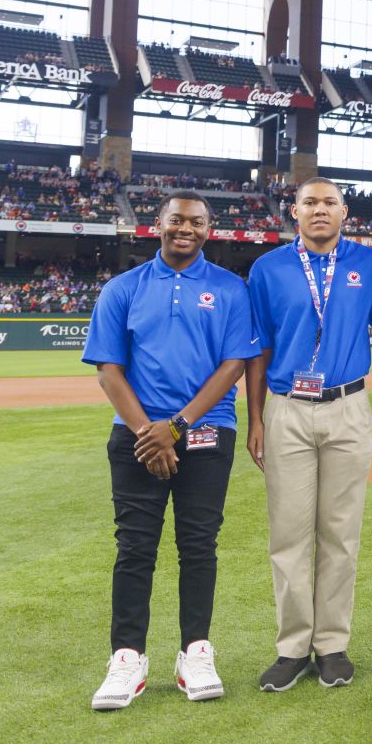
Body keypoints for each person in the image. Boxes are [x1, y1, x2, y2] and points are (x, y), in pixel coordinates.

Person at [81, 192, 259, 710]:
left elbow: (233, 365)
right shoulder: (123, 288)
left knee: (199, 545)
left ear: (210, 229)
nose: (186, 228)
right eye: (177, 219)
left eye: (197, 222)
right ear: (157, 224)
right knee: (135, 548)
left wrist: (176, 427)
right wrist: (149, 433)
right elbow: (108, 370)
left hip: (206, 431)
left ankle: (195, 652)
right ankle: (126, 658)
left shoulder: (230, 288)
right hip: (136, 436)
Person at [245, 176, 372, 692]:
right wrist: (254, 418)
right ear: (293, 212)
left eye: (330, 203)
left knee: (340, 532)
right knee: (290, 534)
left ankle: (332, 644)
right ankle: (292, 647)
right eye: (310, 203)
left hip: (348, 407)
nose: (320, 210)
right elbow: (259, 349)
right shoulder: (267, 267)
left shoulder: (370, 264)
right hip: (288, 410)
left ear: (346, 213)